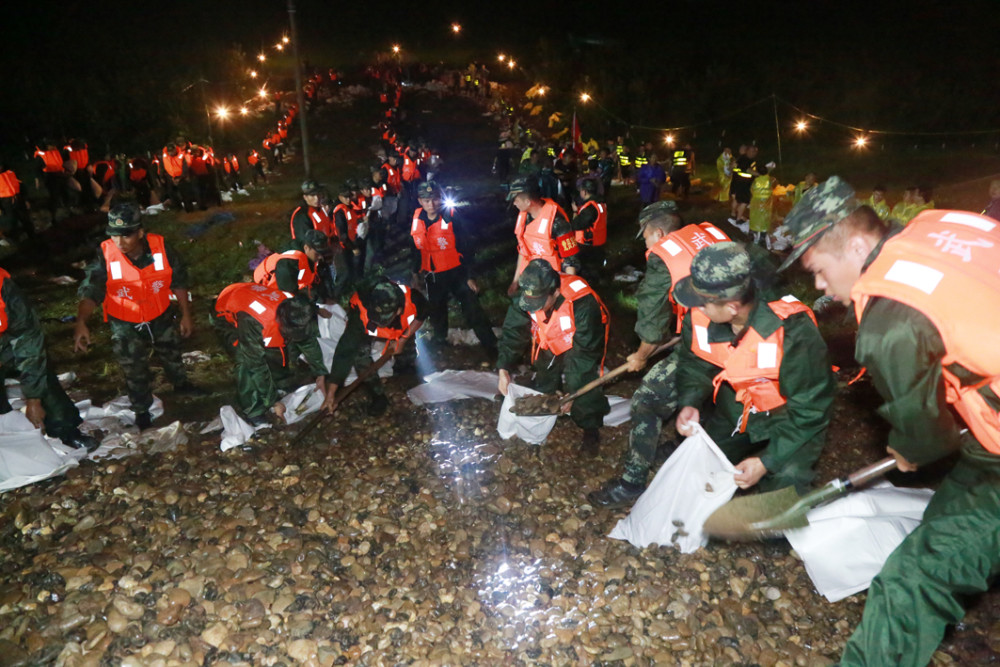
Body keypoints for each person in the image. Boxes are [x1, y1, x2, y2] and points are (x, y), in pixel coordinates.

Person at [779, 176, 1000, 667]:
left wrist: (910, 445)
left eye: (818, 270)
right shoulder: (930, 229)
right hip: (989, 441)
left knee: (914, 579)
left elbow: (929, 437)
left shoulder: (889, 323)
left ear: (858, 243)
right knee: (950, 522)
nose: (818, 285)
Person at [589, 202, 731, 506]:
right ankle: (683, 441)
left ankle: (632, 483)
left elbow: (652, 322)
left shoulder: (663, 256)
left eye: (645, 237)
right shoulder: (707, 232)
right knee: (706, 395)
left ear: (659, 232)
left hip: (711, 342)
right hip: (748, 334)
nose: (645, 243)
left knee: (648, 400)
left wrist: (641, 355)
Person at [672, 242, 835, 492]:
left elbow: (810, 409)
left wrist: (766, 461)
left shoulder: (793, 332)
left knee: (784, 486)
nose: (697, 309)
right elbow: (694, 361)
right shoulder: (701, 318)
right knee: (702, 468)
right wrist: (690, 401)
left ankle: (771, 527)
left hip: (790, 416)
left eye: (703, 303)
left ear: (732, 308)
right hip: (735, 406)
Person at [74, 204, 202, 429]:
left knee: (171, 349)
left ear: (140, 232)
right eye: (114, 234)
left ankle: (181, 384)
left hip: (159, 312)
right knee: (133, 365)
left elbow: (179, 280)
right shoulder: (105, 253)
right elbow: (91, 289)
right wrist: (82, 322)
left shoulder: (162, 248)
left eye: (126, 234)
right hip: (124, 320)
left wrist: (185, 314)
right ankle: (142, 409)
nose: (120, 241)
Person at [497, 259, 609, 452]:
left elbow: (584, 356)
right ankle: (544, 420)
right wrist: (503, 368)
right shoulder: (526, 295)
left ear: (555, 292)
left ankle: (590, 427)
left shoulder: (582, 303)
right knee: (544, 377)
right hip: (550, 336)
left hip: (580, 339)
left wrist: (573, 393)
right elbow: (513, 332)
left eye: (539, 303)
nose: (533, 307)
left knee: (582, 379)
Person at [0, 268, 98, 451]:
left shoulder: (4, 288)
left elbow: (27, 339)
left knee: (41, 376)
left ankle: (66, 431)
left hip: (8, 346)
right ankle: (9, 441)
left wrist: (33, 400)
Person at [214, 283, 329, 426]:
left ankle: (276, 385)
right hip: (227, 316)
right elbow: (255, 363)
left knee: (276, 348)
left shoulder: (296, 307)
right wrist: (273, 403)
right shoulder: (254, 320)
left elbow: (307, 341)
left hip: (251, 298)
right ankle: (253, 409)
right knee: (245, 360)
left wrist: (320, 373)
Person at [410, 182, 498, 358]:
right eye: (426, 200)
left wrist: (470, 276)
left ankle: (491, 347)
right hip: (433, 275)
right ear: (420, 201)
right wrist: (415, 273)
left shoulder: (451, 216)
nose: (431, 204)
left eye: (434, 199)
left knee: (473, 310)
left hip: (457, 272)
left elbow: (467, 246)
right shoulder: (417, 219)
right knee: (437, 310)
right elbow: (415, 248)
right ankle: (440, 341)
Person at [326, 278, 426, 416]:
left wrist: (402, 340)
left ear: (398, 310)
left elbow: (422, 315)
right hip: (366, 326)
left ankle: (405, 366)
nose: (380, 323)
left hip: (400, 327)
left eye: (384, 319)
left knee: (404, 347)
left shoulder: (414, 299)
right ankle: (378, 395)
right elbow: (345, 351)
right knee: (359, 356)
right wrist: (331, 392)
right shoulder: (360, 314)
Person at [506, 176, 580, 296]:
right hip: (532, 278)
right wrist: (515, 281)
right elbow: (523, 250)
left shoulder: (557, 222)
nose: (514, 204)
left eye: (516, 200)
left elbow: (570, 261)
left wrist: (566, 292)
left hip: (552, 283)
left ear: (528, 202)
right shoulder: (524, 217)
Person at [253, 228, 329, 300]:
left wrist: (322, 300)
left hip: (288, 286)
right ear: (306, 248)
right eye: (317, 254)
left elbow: (311, 282)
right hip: (267, 289)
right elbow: (289, 296)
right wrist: (314, 308)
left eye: (322, 254)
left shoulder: (309, 256)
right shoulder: (289, 263)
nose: (320, 258)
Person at [570, 179, 608, 283]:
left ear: (585, 191)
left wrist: (574, 211)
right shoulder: (600, 203)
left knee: (587, 271)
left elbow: (576, 225)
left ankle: (590, 288)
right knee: (596, 268)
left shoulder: (589, 208)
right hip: (599, 242)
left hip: (587, 245)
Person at [748, 163, 776, 246]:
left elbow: (752, 189)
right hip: (766, 202)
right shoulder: (771, 180)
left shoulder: (756, 180)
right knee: (765, 218)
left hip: (756, 202)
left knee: (755, 217)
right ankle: (763, 235)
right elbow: (773, 186)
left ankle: (753, 232)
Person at [729, 145, 754, 229]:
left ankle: (733, 215)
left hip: (735, 182)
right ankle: (738, 218)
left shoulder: (737, 159)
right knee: (743, 201)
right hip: (742, 183)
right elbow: (746, 170)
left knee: (736, 199)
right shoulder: (744, 159)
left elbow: (731, 168)